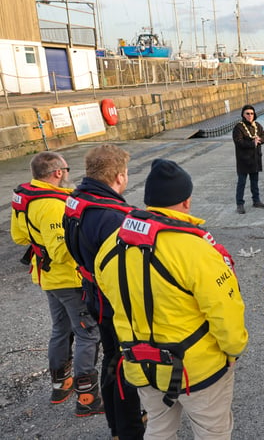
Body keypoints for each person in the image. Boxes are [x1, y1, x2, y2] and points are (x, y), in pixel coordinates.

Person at [95, 158, 248, 439]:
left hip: (141, 364)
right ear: (187, 201)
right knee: (212, 431)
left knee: (158, 428)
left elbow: (112, 296)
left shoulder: (111, 245)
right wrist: (233, 350)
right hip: (197, 370)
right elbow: (225, 311)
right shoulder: (196, 249)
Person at [10, 151, 103, 417]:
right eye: (66, 169)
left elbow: (18, 237)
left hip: (47, 276)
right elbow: (62, 249)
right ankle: (87, 397)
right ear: (58, 173)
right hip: (68, 278)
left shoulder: (25, 197)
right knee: (88, 333)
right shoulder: (52, 204)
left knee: (61, 329)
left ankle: (60, 385)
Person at [63, 144, 145, 439]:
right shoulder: (113, 217)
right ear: (119, 176)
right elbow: (127, 268)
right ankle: (129, 429)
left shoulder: (76, 201)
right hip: (111, 302)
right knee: (123, 364)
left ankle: (117, 423)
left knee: (111, 359)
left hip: (92, 292)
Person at [233, 104, 264, 213]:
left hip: (255, 159)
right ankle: (240, 204)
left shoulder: (257, 125)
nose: (250, 116)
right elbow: (239, 142)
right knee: (241, 183)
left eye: (252, 113)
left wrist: (260, 140)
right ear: (243, 115)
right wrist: (252, 143)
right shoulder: (238, 127)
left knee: (255, 182)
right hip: (243, 160)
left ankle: (256, 201)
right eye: (247, 114)